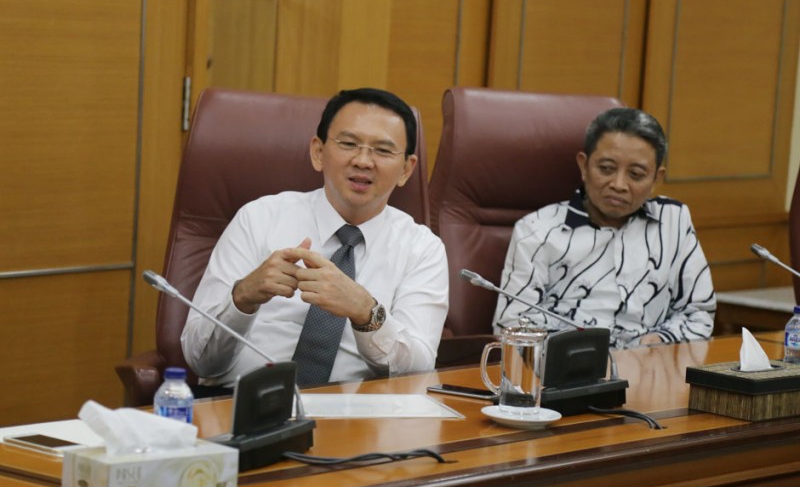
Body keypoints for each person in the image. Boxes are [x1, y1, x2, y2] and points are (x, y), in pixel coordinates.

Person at [182, 88, 448, 388]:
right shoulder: (259, 218)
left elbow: (418, 370)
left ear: (406, 170)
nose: (363, 161)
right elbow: (198, 359)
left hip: (359, 411)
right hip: (242, 403)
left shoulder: (422, 249)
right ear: (318, 152)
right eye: (349, 143)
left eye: (383, 150)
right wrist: (242, 297)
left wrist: (366, 312)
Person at [494, 107, 715, 348]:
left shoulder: (673, 221)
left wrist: (658, 342)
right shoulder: (536, 231)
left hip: (651, 365)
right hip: (565, 367)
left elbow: (698, 312)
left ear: (656, 179)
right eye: (606, 169)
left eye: (636, 174)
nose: (619, 185)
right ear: (584, 166)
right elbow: (512, 325)